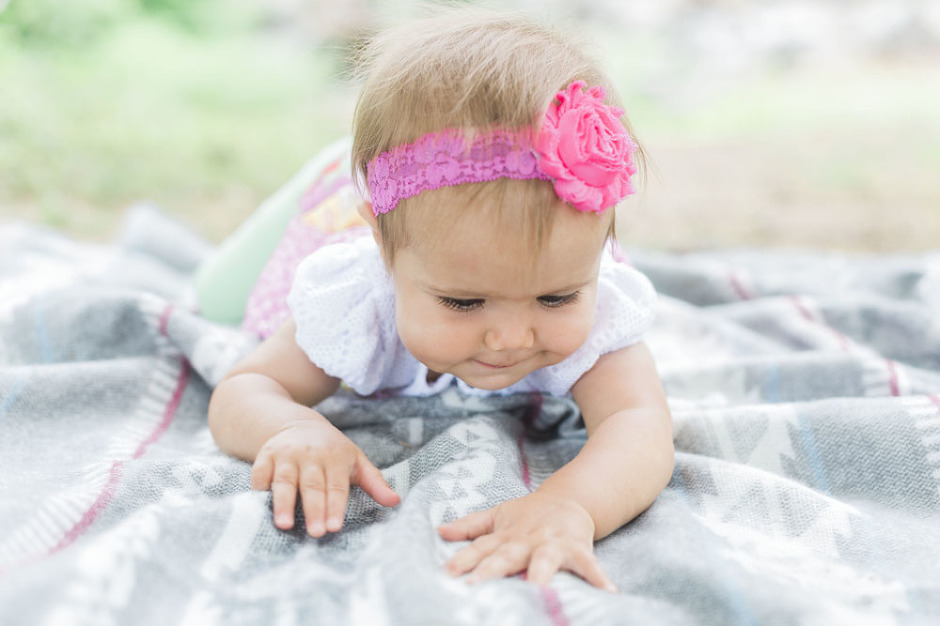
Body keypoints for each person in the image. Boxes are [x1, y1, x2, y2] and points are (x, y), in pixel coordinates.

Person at [207, 8, 674, 592]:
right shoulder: (357, 303)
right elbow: (243, 389)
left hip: (416, 214)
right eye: (463, 303)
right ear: (381, 251)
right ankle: (332, 161)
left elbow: (640, 424)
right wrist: (289, 429)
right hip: (326, 209)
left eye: (554, 298)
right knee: (213, 295)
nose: (513, 338)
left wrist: (572, 504)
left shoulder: (597, 310)